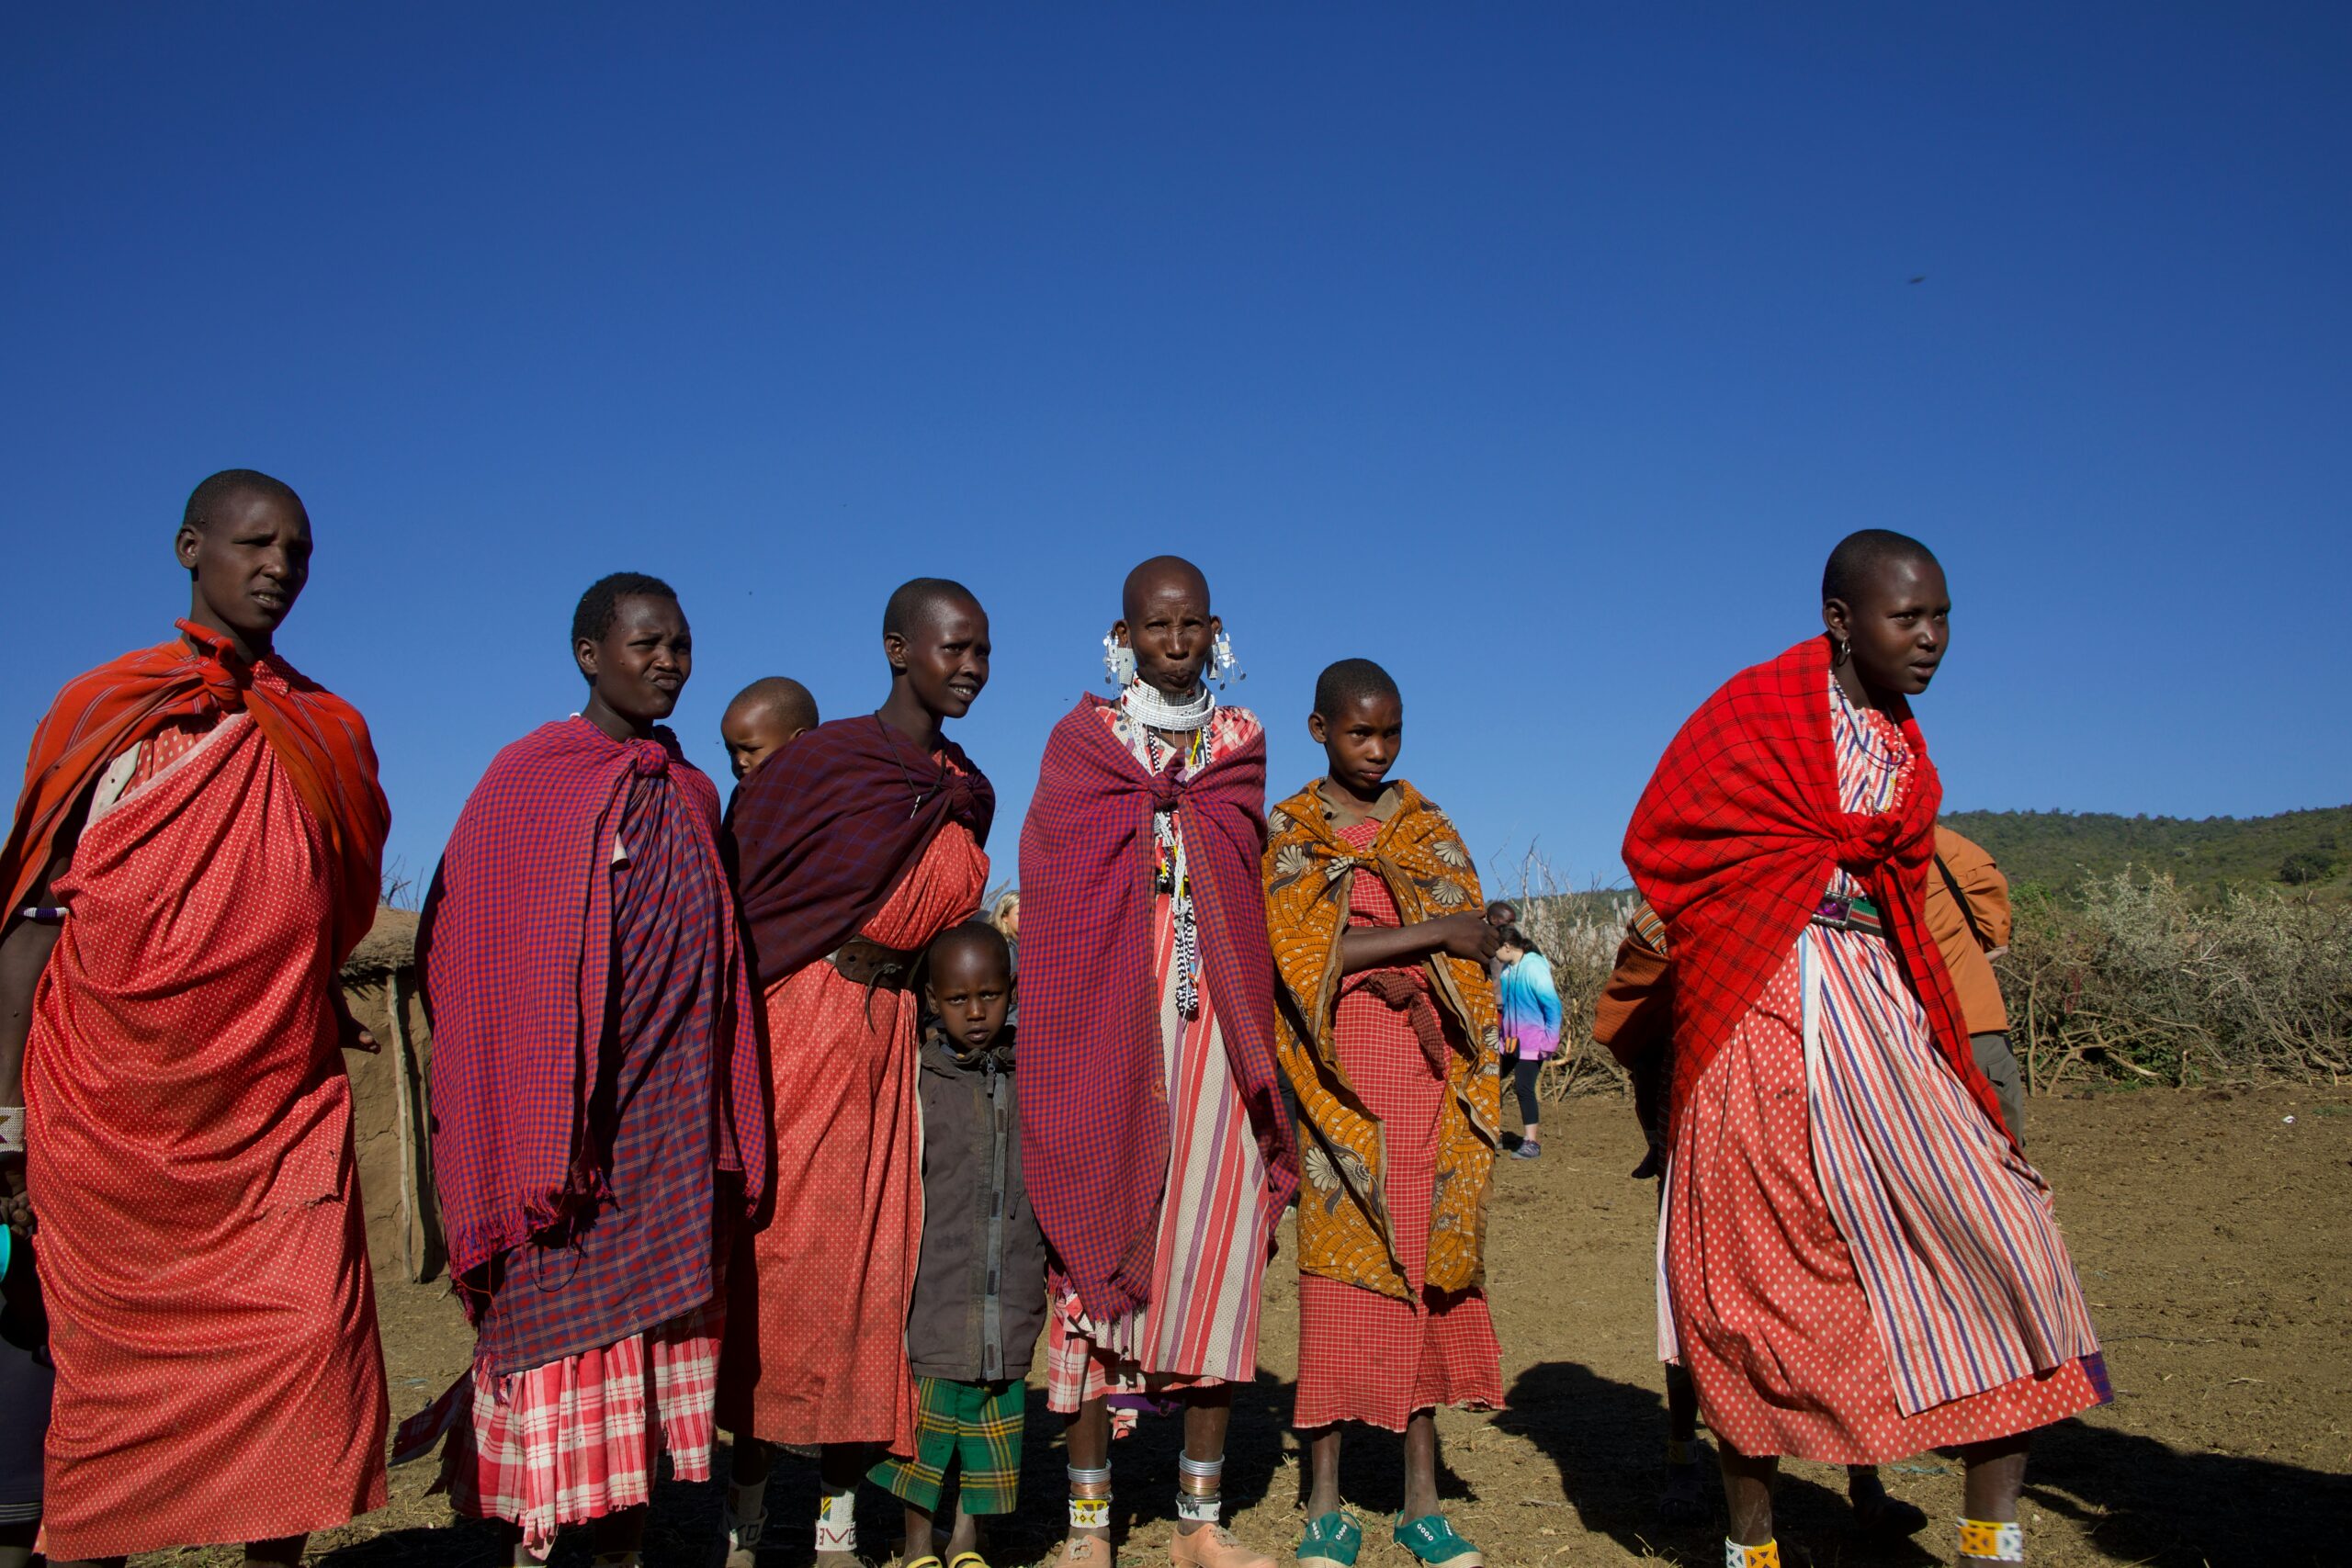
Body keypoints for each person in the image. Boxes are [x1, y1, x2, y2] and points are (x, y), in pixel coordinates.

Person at [1623, 528, 2107, 1568]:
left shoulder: (1900, 742)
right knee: (1753, 1283)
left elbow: (1898, 880)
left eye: (1941, 618)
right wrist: (1784, 896)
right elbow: (1664, 837)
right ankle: (1750, 1547)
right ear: (1841, 620)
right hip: (1761, 1015)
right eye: (1907, 617)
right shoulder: (1752, 713)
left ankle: (1992, 1542)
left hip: (1883, 1016)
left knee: (2000, 1236)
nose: (1930, 639)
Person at [0, 469, 391, 1566]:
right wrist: (2, 1119)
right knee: (111, 1401)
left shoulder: (326, 733)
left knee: (304, 1345)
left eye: (298, 552)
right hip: (110, 1120)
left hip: (272, 1110)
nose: (278, 568)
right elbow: (31, 926)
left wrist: (306, 986)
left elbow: (320, 903)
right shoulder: (106, 713)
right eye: (255, 543)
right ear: (190, 548)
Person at [396, 572, 770, 1567]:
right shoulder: (528, 780)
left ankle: (622, 1556)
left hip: (667, 1131)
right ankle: (537, 1547)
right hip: (566, 1146)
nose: (668, 663)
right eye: (647, 643)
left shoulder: (691, 790)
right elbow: (462, 938)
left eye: (681, 646)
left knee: (639, 1385)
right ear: (588, 654)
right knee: (564, 1375)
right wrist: (531, 1081)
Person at [1020, 556, 1298, 1568]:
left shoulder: (1240, 742)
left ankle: (1199, 1526)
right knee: (1087, 1256)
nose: (1173, 642)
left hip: (1216, 1027)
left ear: (1213, 630)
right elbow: (1052, 885)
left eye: (1190, 626)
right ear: (1122, 633)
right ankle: (1088, 1528)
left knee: (1216, 1254)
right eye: (1155, 626)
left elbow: (1236, 878)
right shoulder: (1082, 742)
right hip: (1104, 1021)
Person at [719, 578, 996, 1568]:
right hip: (802, 1028)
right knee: (781, 1265)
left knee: (879, 1275)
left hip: (895, 1047)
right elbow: (742, 890)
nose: (968, 667)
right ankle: (747, 1512)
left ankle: (837, 1512)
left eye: (981, 652)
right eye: (951, 648)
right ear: (896, 649)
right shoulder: (827, 763)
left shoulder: (963, 786)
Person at [1263, 659, 1503, 1568]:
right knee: (1335, 1277)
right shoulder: (1290, 834)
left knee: (1422, 1268)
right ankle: (1323, 1501)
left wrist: (1452, 945)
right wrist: (1436, 935)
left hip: (1421, 1075)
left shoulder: (1425, 827)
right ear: (1319, 728)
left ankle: (1421, 1501)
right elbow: (1302, 952)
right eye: (1360, 732)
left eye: (1391, 732)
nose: (1377, 750)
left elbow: (1471, 930)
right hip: (1334, 1086)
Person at [1595, 901, 1927, 1539]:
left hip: (1834, 1109)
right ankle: (1683, 1459)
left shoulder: (1844, 889)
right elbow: (1632, 1007)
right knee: (1703, 1295)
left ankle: (1865, 1475)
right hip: (1709, 1109)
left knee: (1848, 1288)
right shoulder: (1687, 901)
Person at [867, 922, 1046, 1568]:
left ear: (1012, 990)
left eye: (992, 995)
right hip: (936, 1290)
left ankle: (968, 1540)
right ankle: (918, 1542)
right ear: (932, 1001)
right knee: (926, 1434)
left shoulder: (1034, 1071)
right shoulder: (919, 1078)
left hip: (1012, 1284)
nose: (976, 1012)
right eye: (958, 999)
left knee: (991, 1427)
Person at [1928, 825, 2027, 1139]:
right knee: (2002, 1154)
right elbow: (1997, 942)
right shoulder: (1949, 848)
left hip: (1879, 1034)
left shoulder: (1834, 852)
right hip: (1972, 1023)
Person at [1490, 927, 1559, 1160]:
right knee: (1490, 1079)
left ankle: (1531, 1142)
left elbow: (1552, 1005)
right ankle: (1492, 1132)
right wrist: (1501, 1038)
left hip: (1533, 1041)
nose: (1494, 954)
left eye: (1496, 949)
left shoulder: (1534, 966)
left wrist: (1550, 1040)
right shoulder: (1509, 970)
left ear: (1507, 947)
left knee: (1524, 1088)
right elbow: (1508, 1007)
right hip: (1510, 1041)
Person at [721, 674, 820, 783]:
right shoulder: (744, 797)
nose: (740, 762)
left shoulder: (824, 791)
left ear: (800, 741)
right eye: (732, 752)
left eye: (752, 749)